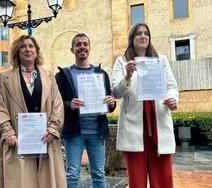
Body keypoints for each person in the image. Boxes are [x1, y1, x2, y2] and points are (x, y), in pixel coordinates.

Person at [0, 35, 66, 188]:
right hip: (18, 141)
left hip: (45, 139)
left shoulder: (49, 76)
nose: (27, 49)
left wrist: (53, 128)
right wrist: (8, 132)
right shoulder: (4, 78)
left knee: (47, 181)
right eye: (23, 46)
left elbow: (58, 104)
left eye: (31, 46)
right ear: (17, 52)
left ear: (36, 51)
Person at [111, 23, 179, 188]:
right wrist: (127, 76)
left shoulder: (160, 60)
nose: (142, 36)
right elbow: (115, 92)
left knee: (163, 180)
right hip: (134, 128)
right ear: (132, 38)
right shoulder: (122, 62)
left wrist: (172, 99)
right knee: (137, 182)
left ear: (149, 38)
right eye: (138, 34)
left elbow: (172, 86)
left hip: (158, 126)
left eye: (146, 33)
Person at [55, 33, 116, 188]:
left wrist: (112, 102)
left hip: (97, 131)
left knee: (98, 174)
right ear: (72, 49)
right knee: (72, 174)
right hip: (74, 132)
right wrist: (69, 105)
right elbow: (55, 104)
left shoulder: (101, 74)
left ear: (90, 48)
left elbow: (109, 105)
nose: (82, 47)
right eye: (78, 44)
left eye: (85, 44)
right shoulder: (62, 76)